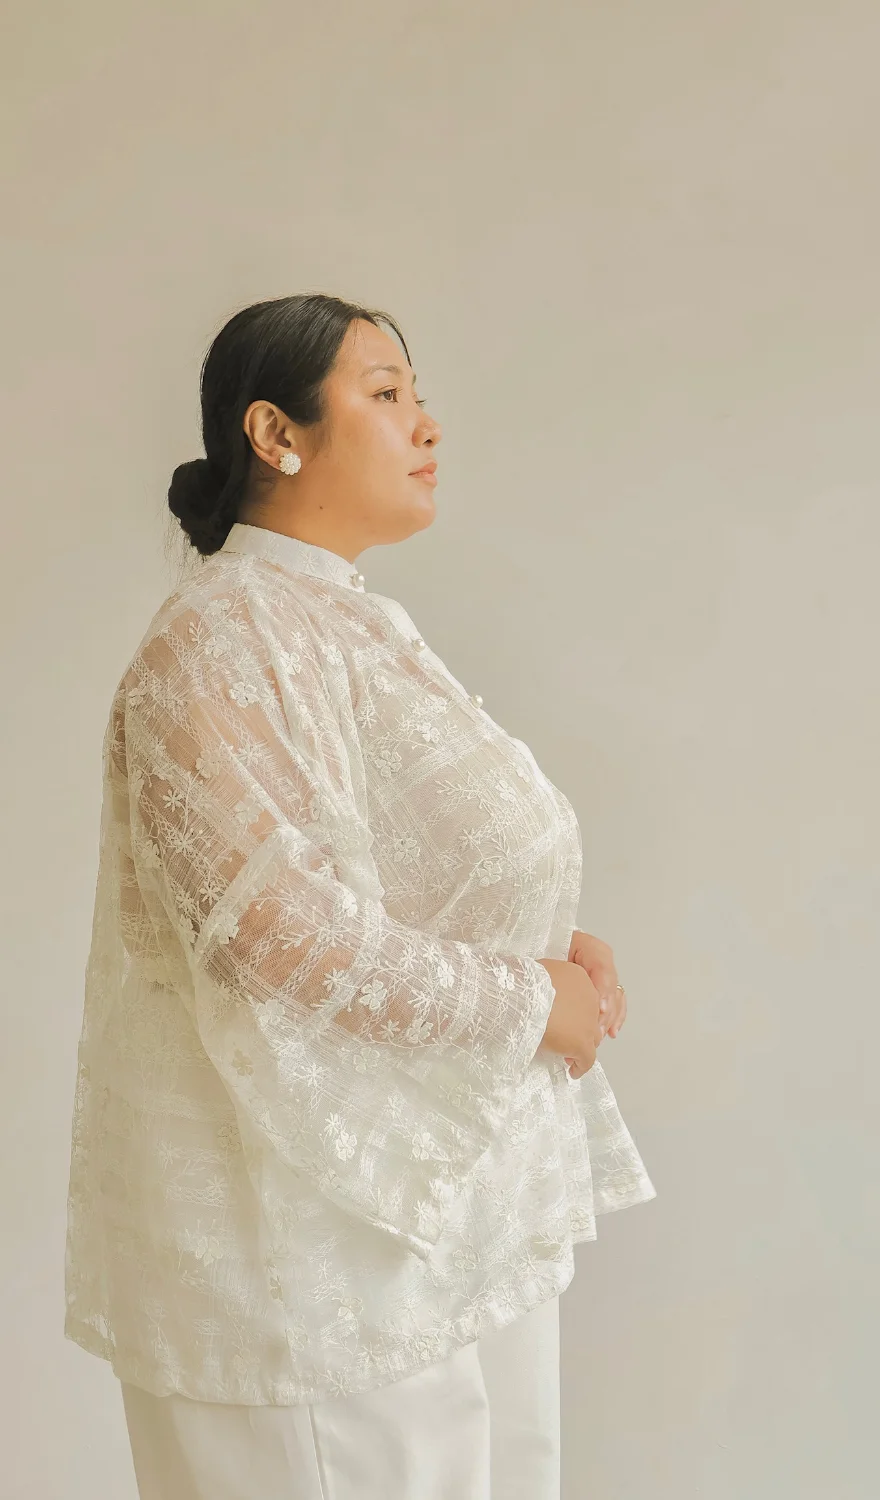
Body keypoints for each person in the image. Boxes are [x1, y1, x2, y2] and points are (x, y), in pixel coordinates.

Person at [63, 292, 656, 1499]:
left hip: (436, 1222)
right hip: (308, 1251)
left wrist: (549, 945)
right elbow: (272, 932)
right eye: (386, 395)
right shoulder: (218, 637)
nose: (426, 424)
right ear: (275, 433)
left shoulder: (338, 619)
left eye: (418, 395)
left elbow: (385, 872)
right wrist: (524, 1000)